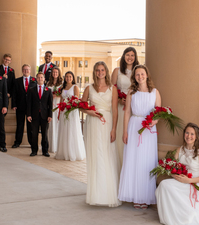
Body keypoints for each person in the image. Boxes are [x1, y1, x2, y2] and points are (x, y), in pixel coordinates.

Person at [156, 123, 199, 225]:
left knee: (192, 216)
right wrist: (174, 175)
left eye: (192, 134)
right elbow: (172, 168)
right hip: (181, 181)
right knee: (164, 185)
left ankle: (188, 213)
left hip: (195, 183)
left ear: (196, 136)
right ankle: (171, 217)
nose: (189, 136)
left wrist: (189, 180)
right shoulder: (179, 150)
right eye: (187, 133)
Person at [118, 65, 160, 209]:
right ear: (134, 76)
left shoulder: (155, 92)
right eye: (137, 74)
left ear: (147, 75)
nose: (140, 77)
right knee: (134, 160)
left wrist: (154, 121)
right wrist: (125, 131)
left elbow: (158, 112)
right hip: (134, 126)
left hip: (148, 130)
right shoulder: (131, 92)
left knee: (146, 162)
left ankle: (145, 197)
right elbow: (127, 112)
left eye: (142, 74)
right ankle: (136, 196)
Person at [81, 61, 121, 207]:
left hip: (107, 124)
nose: (100, 72)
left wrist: (114, 129)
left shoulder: (113, 89)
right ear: (94, 72)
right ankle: (96, 194)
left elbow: (115, 110)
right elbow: (81, 106)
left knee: (107, 155)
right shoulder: (89, 88)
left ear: (106, 71)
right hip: (93, 124)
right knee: (95, 156)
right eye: (97, 70)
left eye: (102, 70)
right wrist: (88, 112)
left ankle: (108, 193)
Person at [111, 47, 139, 167]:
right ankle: (119, 165)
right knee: (121, 135)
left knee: (132, 136)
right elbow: (111, 90)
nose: (130, 57)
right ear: (123, 56)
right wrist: (118, 99)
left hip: (133, 108)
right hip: (121, 108)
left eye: (132, 55)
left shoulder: (138, 71)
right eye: (127, 55)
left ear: (135, 57)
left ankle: (130, 166)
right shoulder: (117, 71)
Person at [56, 71, 86, 161]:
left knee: (72, 130)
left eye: (70, 76)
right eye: (67, 77)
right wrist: (59, 112)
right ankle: (64, 152)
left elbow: (76, 99)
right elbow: (61, 100)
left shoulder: (75, 87)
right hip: (63, 111)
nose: (68, 78)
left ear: (72, 78)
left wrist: (70, 104)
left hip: (72, 111)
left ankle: (73, 152)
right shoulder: (63, 87)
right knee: (64, 130)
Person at [27, 72, 53, 157]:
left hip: (45, 115)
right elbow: (29, 104)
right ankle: (34, 150)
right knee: (34, 134)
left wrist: (50, 115)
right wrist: (29, 115)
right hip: (34, 115)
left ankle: (45, 151)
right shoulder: (31, 90)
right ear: (36, 79)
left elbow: (50, 104)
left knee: (44, 134)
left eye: (41, 77)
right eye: (38, 77)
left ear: (44, 79)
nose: (40, 79)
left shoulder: (48, 91)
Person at [11, 64, 37, 148]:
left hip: (31, 108)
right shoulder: (17, 81)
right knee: (20, 125)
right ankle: (17, 142)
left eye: (27, 69)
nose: (26, 71)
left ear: (30, 70)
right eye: (24, 69)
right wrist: (14, 105)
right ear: (22, 71)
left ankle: (31, 142)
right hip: (20, 106)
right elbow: (14, 94)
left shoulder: (35, 80)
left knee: (30, 126)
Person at [46, 66, 63, 154]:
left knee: (58, 124)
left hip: (58, 105)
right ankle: (50, 146)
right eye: (53, 72)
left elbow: (65, 93)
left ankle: (57, 146)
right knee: (51, 125)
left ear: (59, 73)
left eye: (56, 72)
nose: (55, 74)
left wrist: (57, 95)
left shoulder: (62, 83)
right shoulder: (48, 83)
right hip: (50, 106)